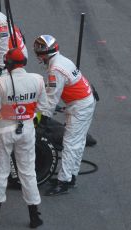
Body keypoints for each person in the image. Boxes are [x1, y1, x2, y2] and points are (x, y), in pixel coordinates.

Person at [0, 47, 47, 228]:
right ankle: (34, 217)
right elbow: (42, 106)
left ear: (8, 64)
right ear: (24, 63)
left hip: (4, 128)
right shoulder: (38, 80)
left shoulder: (0, 83)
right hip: (27, 128)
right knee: (28, 172)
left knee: (0, 171)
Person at [33, 34, 96, 196]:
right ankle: (70, 176)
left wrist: (42, 120)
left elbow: (52, 98)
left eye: (39, 54)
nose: (39, 57)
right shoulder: (61, 60)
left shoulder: (55, 69)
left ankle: (64, 183)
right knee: (77, 142)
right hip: (82, 102)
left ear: (45, 54)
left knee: (70, 143)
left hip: (80, 106)